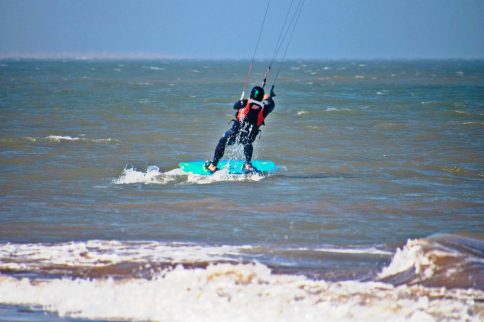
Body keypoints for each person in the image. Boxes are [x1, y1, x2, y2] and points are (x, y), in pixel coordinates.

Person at [205, 85, 276, 174]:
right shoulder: (265, 108)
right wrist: (269, 97)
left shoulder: (245, 103)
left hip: (235, 133)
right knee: (248, 143)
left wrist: (248, 99)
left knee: (222, 141)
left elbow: (235, 106)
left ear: (251, 95)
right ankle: (248, 165)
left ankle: (213, 166)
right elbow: (271, 104)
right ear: (262, 97)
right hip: (250, 136)